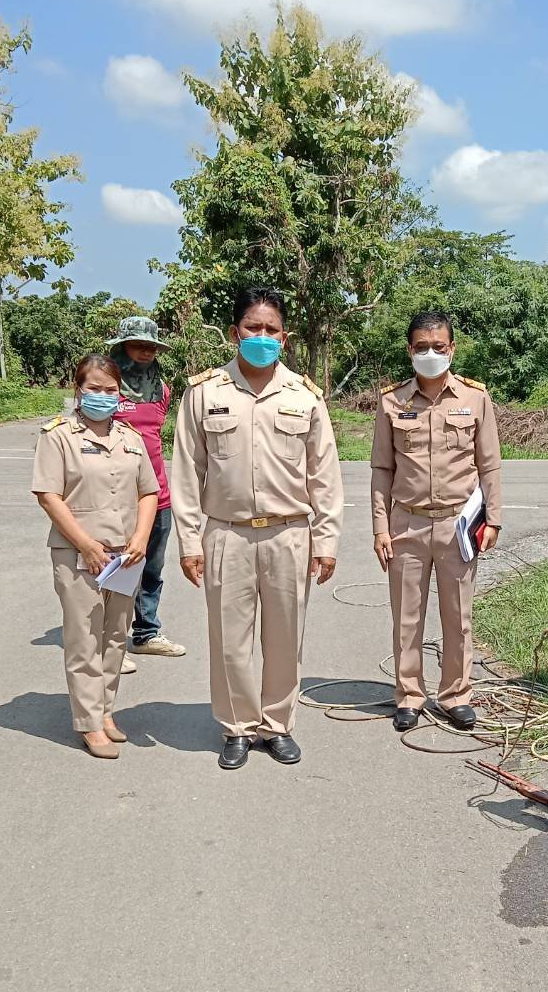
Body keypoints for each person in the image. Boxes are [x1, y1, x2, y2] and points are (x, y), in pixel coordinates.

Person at [171, 286, 343, 771]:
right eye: (253, 328)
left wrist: (326, 541)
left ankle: (278, 724)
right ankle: (238, 727)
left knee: (286, 636)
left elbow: (323, 475)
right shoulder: (204, 393)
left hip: (290, 532)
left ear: (284, 338)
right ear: (235, 332)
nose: (261, 337)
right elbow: (187, 472)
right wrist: (189, 542)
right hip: (226, 533)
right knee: (230, 639)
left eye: (271, 330)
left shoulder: (304, 396)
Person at [371, 310, 502, 732]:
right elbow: (381, 470)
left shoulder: (474, 398)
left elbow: (490, 465)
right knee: (407, 617)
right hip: (406, 524)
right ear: (410, 350)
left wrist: (493, 520)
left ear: (452, 349)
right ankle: (409, 695)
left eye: (438, 347)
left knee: (457, 617)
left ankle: (455, 695)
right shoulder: (392, 401)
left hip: (457, 526)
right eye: (421, 347)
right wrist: (379, 527)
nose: (430, 354)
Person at [31, 353, 159, 759]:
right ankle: (88, 724)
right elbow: (48, 496)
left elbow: (149, 492)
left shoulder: (130, 438)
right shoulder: (58, 436)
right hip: (78, 554)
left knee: (116, 636)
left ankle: (105, 711)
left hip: (125, 556)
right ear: (78, 390)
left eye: (110, 390)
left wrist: (140, 537)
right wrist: (86, 544)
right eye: (94, 389)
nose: (102, 396)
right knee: (85, 638)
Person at [105, 314, 186, 673]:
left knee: (152, 568)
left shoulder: (162, 390)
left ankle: (146, 633)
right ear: (122, 345)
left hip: (158, 494)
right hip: (116, 497)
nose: (145, 351)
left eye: (151, 346)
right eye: (138, 344)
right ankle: (111, 642)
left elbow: (155, 436)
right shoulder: (104, 388)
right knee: (117, 570)